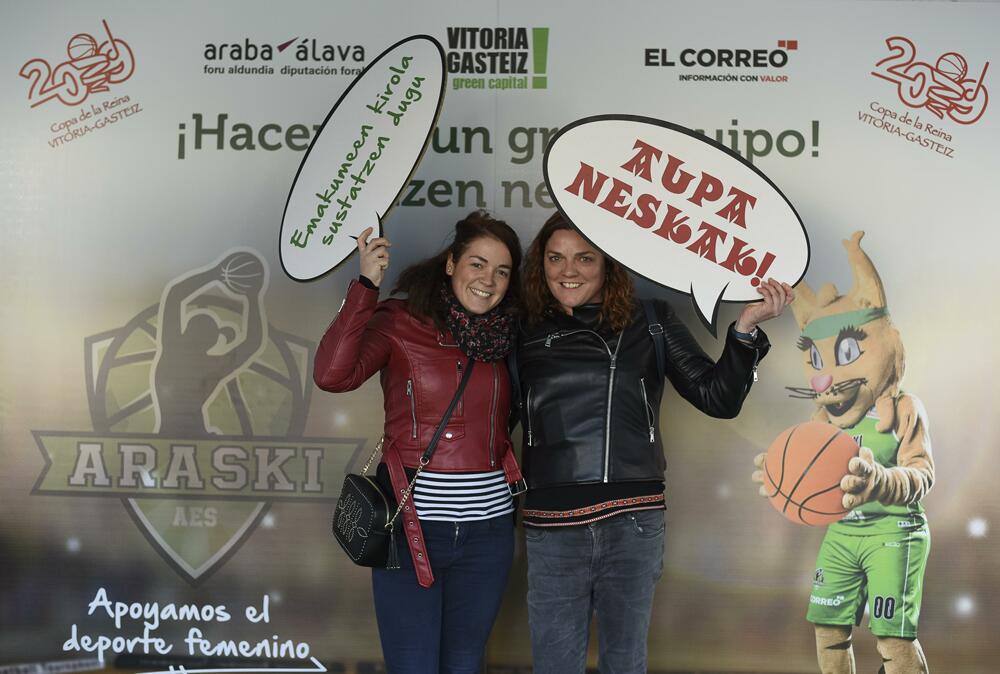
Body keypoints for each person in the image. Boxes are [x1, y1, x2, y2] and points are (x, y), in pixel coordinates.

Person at [514, 212, 793, 674]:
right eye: (555, 258)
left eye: (585, 258)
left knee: (625, 664)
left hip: (633, 524)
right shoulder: (521, 330)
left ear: (608, 262)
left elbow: (717, 398)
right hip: (552, 526)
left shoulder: (651, 321)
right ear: (540, 265)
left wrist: (745, 329)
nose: (568, 270)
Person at [313, 211, 526, 674]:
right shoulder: (401, 320)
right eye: (478, 263)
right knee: (414, 666)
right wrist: (365, 285)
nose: (488, 280)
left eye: (502, 270)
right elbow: (332, 375)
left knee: (465, 664)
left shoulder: (512, 333)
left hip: (488, 535)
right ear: (451, 264)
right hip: (413, 531)